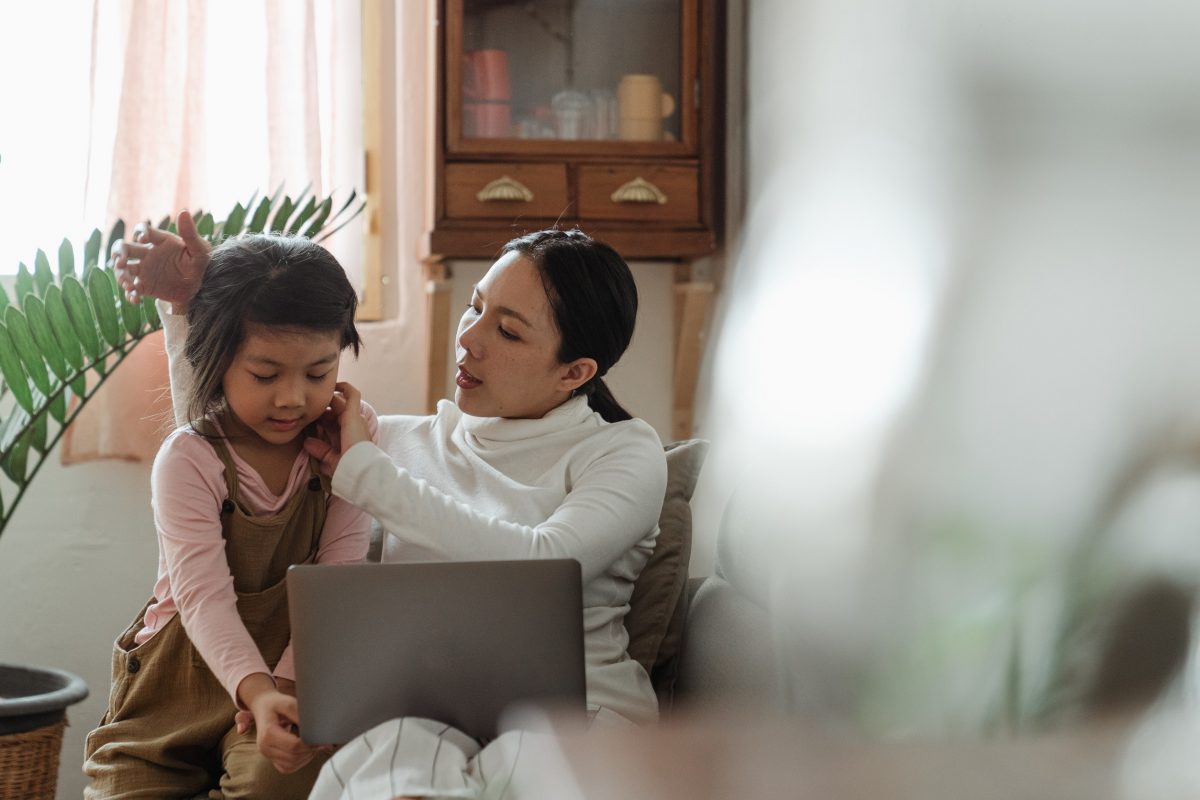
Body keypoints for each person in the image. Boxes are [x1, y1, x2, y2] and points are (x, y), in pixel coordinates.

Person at [115, 213, 668, 798]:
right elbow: (219, 453)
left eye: (506, 332)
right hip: (424, 719)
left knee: (534, 767)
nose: (469, 338)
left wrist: (365, 473)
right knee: (389, 770)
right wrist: (191, 306)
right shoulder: (393, 441)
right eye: (475, 307)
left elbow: (550, 563)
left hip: (572, 715)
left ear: (574, 372)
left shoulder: (622, 451)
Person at [86, 234, 378, 799]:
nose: (293, 398)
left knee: (279, 781)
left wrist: (283, 696)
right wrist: (256, 692)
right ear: (216, 360)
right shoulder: (189, 458)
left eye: (318, 374)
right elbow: (203, 598)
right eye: (266, 375)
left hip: (292, 677)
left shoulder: (350, 435)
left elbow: (338, 577)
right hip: (170, 699)